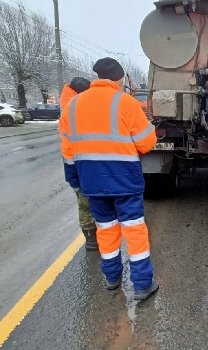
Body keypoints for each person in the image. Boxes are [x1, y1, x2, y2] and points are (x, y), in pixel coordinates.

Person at [59, 57, 160, 301]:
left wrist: (76, 182)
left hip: (92, 183)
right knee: (134, 231)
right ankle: (142, 284)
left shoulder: (72, 106)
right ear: (120, 78)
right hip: (125, 181)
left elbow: (68, 152)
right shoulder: (126, 103)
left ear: (97, 77)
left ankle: (112, 278)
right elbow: (147, 142)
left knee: (105, 230)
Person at [59, 77, 97, 251]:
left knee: (84, 203)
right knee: (89, 203)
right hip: (82, 166)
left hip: (75, 165)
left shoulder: (68, 104)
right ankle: (93, 238)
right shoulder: (77, 107)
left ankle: (91, 239)